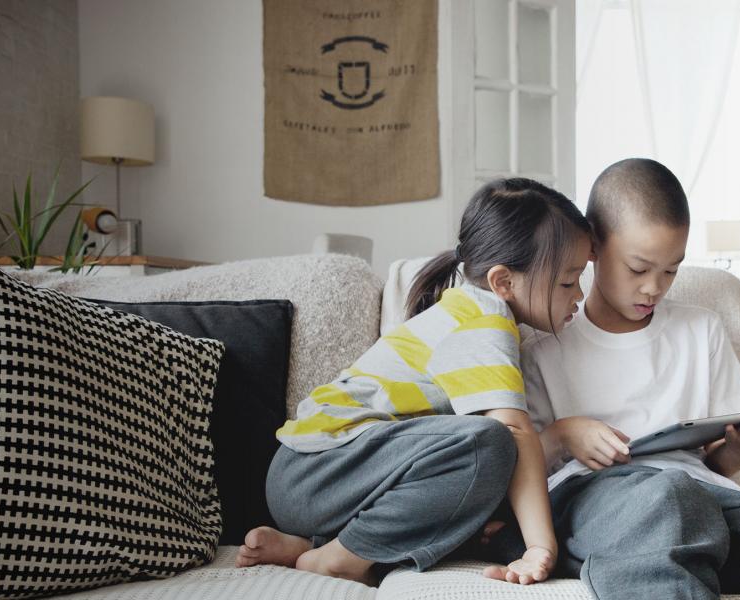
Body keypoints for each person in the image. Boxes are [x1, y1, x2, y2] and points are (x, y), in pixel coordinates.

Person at [236, 178, 592, 587]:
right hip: (313, 470)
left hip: (321, 483)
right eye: (568, 281)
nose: (579, 295)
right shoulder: (484, 321)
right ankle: (339, 559)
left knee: (484, 474)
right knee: (488, 443)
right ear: (503, 282)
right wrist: (540, 548)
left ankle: (315, 544)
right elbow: (513, 432)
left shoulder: (470, 309)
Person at [505, 158, 740, 599]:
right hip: (593, 495)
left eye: (671, 270)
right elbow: (521, 464)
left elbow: (713, 465)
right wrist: (563, 434)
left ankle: (630, 558)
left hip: (696, 492)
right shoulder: (546, 343)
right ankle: (646, 553)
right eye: (639, 269)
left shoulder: (701, 329)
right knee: (669, 497)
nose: (654, 288)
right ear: (593, 246)